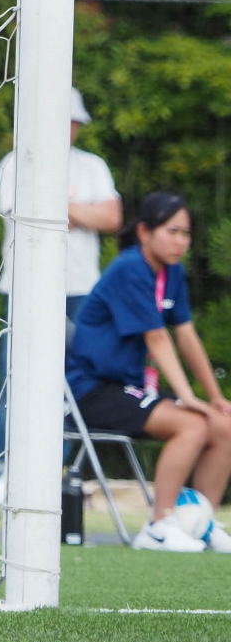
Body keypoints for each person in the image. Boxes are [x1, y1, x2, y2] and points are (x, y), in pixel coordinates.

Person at [67, 192, 231, 551]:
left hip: (129, 390)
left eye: (186, 233)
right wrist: (188, 397)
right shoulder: (129, 268)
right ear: (144, 232)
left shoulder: (172, 273)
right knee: (191, 423)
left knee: (223, 423)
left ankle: (198, 524)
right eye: (172, 231)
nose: (181, 241)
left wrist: (216, 398)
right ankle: (157, 526)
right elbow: (157, 338)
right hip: (92, 391)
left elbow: (185, 336)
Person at [0, 87, 121, 506]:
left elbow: (113, 217)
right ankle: (8, 472)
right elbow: (22, 211)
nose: (71, 129)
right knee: (14, 378)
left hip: (82, 289)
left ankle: (60, 472)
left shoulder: (92, 166)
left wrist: (66, 210)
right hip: (26, 289)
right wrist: (83, 212)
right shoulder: (16, 162)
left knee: (71, 381)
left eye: (74, 123)